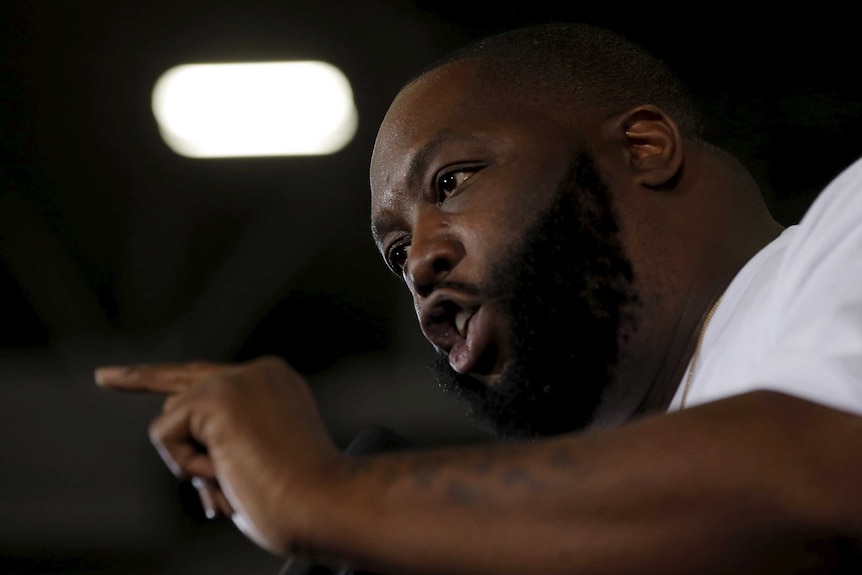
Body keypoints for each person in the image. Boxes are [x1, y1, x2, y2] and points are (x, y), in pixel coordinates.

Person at [95, 22, 862, 574]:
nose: (420, 262)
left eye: (451, 182)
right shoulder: (609, 531)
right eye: (395, 253)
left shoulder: (846, 226)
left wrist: (325, 493)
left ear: (642, 147)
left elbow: (827, 466)